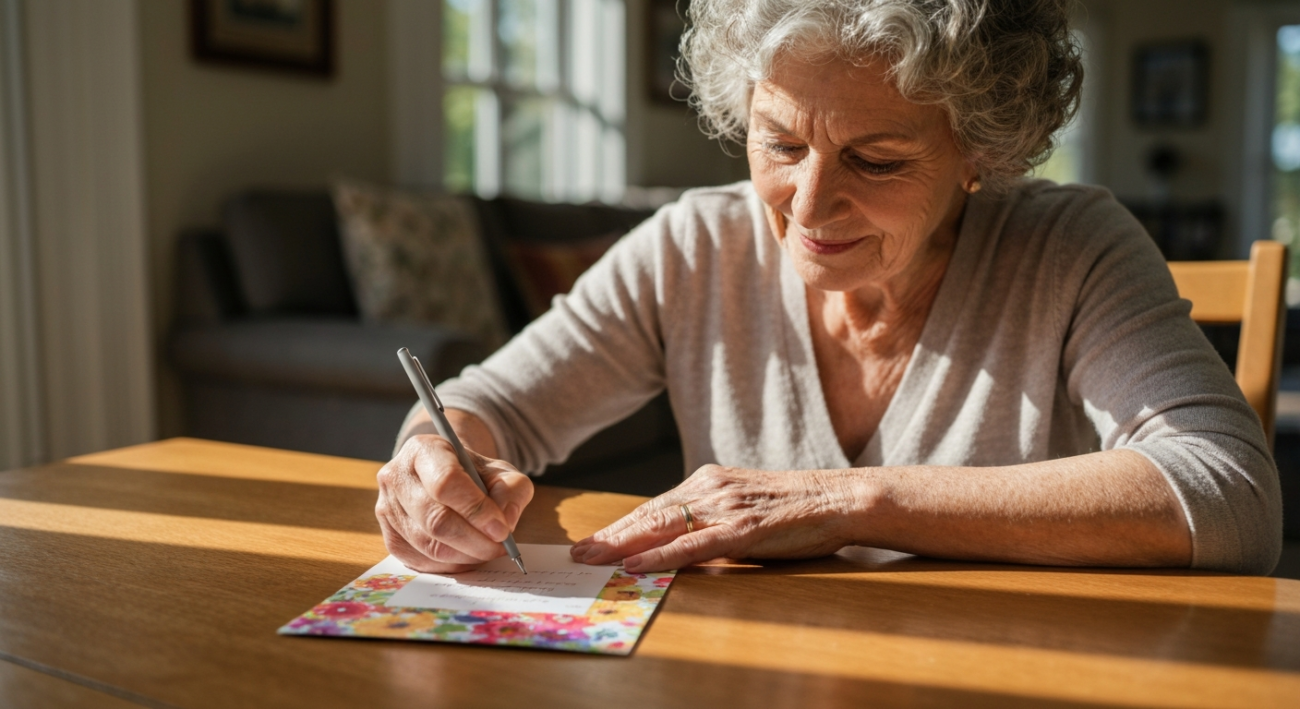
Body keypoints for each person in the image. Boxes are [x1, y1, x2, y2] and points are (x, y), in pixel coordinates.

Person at [374, 0, 1282, 577]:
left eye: (876, 159)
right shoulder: (698, 241)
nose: (807, 205)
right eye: (780, 143)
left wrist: (843, 502)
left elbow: (1231, 496)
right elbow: (486, 403)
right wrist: (431, 462)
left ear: (980, 154)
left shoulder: (1070, 247)